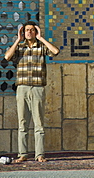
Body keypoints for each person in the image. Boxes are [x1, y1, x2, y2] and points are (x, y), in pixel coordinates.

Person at [5, 21, 59, 163]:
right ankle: (22, 154)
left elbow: (55, 51)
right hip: (22, 88)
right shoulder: (19, 47)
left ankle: (39, 154)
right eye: (26, 30)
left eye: (32, 30)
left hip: (37, 88)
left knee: (38, 123)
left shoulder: (41, 46)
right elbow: (7, 57)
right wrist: (18, 39)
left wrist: (41, 38)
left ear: (36, 32)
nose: (29, 32)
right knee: (23, 123)